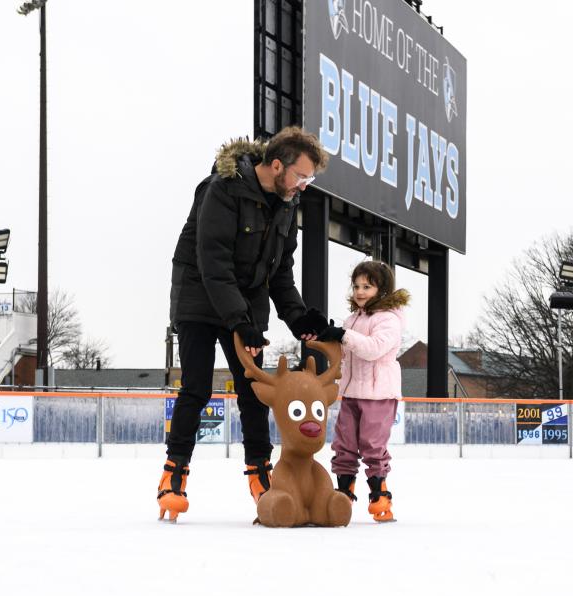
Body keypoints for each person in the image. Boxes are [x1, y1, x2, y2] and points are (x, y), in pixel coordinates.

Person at [157, 127, 331, 522]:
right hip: (199, 297)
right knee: (197, 388)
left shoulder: (286, 204)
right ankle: (174, 475)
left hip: (245, 304)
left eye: (310, 180)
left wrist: (299, 317)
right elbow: (213, 263)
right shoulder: (221, 189)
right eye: (301, 176)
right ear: (275, 165)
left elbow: (280, 273)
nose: (303, 186)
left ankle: (262, 477)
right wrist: (241, 321)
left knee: (254, 392)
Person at [317, 261, 409, 522]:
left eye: (367, 286)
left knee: (372, 445)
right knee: (343, 445)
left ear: (382, 290)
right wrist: (327, 337)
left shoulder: (389, 319)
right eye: (356, 286)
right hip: (351, 393)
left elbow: (372, 349)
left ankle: (380, 496)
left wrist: (344, 335)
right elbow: (345, 352)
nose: (359, 291)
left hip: (378, 394)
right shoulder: (352, 320)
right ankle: (343, 495)